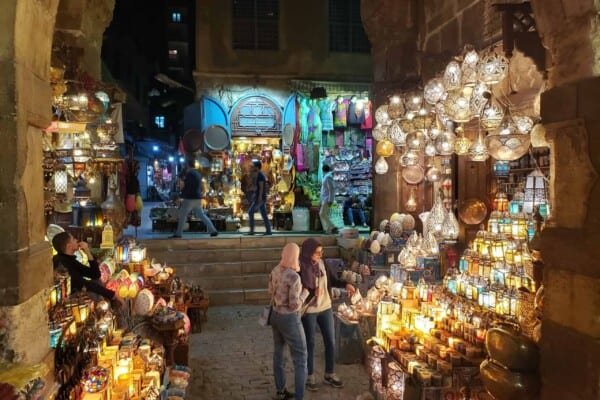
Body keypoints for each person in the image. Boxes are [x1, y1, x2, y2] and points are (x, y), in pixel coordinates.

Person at [299, 238, 356, 391]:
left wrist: (346, 285)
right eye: (317, 253)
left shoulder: (323, 264)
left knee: (330, 341)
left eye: (321, 252)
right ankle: (309, 375)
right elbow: (298, 293)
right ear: (308, 252)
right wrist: (312, 292)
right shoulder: (300, 268)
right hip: (309, 310)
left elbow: (333, 280)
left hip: (325, 307)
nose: (320, 255)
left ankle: (329, 373)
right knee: (309, 343)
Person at [268, 243, 309, 400]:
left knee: (278, 353)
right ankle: (299, 396)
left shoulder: (275, 270)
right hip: (289, 319)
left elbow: (270, 291)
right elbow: (294, 304)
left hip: (275, 315)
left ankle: (280, 391)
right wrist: (305, 294)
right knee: (300, 357)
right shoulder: (294, 277)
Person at [52, 232, 121, 304]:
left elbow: (95, 274)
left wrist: (87, 251)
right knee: (94, 292)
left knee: (97, 282)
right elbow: (84, 284)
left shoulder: (69, 259)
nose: (76, 240)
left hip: (79, 290)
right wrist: (113, 295)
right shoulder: (62, 262)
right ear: (69, 246)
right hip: (70, 298)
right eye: (73, 239)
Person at [171, 159, 218, 238]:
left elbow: (188, 186)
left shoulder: (189, 174)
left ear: (188, 165)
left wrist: (182, 195)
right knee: (201, 215)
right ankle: (213, 230)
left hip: (190, 198)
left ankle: (178, 233)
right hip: (197, 198)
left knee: (182, 215)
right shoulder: (198, 174)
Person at [247, 160, 272, 235]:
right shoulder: (258, 175)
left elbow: (261, 188)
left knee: (250, 212)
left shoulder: (260, 176)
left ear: (257, 167)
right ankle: (268, 230)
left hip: (260, 198)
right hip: (259, 197)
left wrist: (260, 198)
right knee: (264, 214)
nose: (252, 167)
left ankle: (252, 231)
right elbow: (257, 187)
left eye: (253, 166)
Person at [319, 164, 338, 234]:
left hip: (327, 199)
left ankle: (332, 227)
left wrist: (330, 200)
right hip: (325, 199)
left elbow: (331, 189)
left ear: (323, 170)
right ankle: (328, 229)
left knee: (322, 214)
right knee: (323, 214)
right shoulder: (327, 177)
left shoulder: (328, 177)